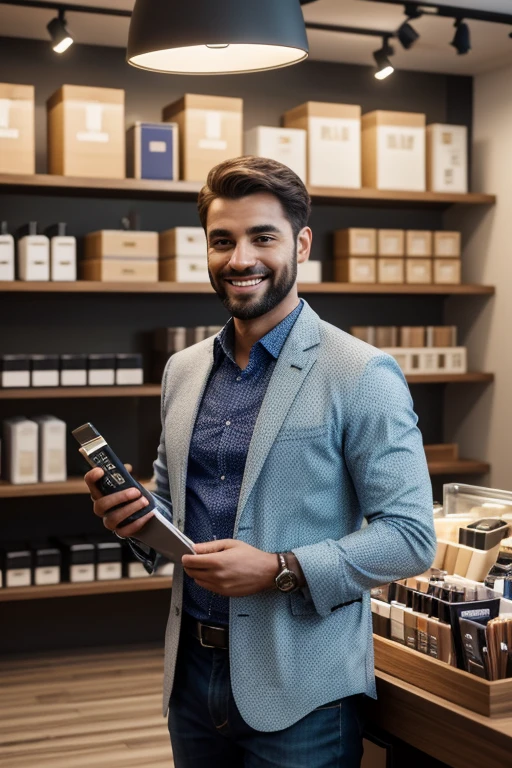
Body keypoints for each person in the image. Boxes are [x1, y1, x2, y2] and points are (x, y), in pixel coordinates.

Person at [85, 156, 436, 768]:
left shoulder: (360, 372)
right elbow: (174, 508)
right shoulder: (184, 370)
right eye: (223, 240)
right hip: (190, 678)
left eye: (262, 237)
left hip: (302, 691)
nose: (240, 258)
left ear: (301, 243)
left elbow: (409, 538)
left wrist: (280, 567)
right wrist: (134, 520)